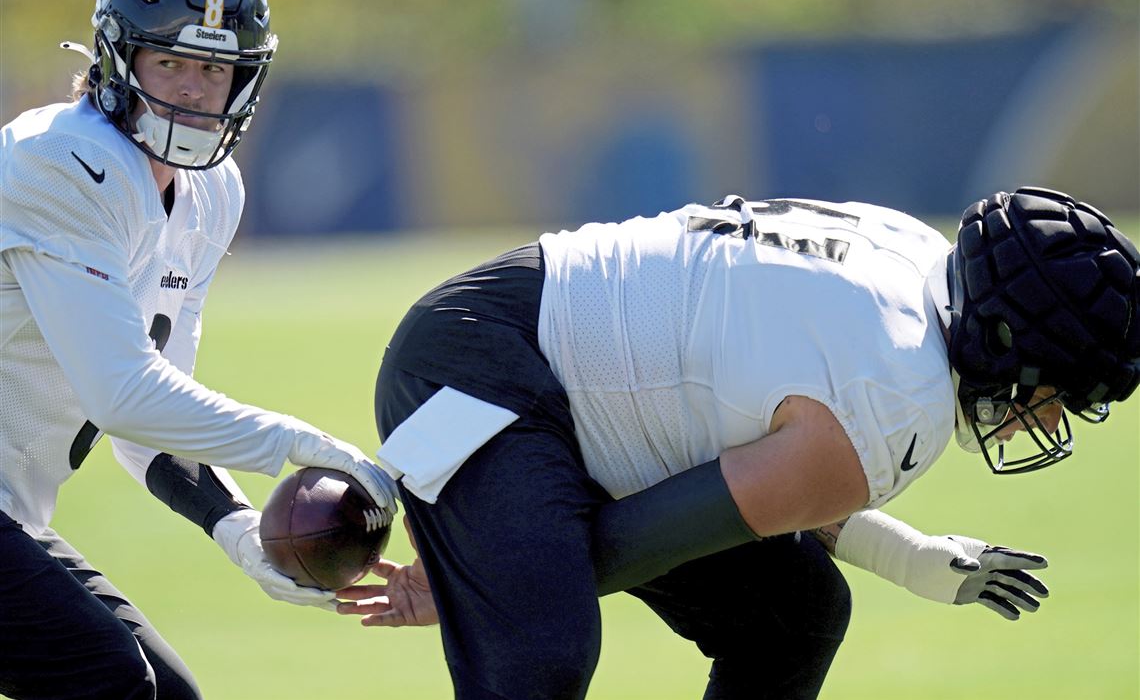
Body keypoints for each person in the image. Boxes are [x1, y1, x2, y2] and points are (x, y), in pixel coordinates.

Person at [338, 188, 1139, 699]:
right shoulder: (902, 396)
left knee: (795, 610)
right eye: (1056, 391)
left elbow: (776, 466)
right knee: (542, 655)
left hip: (544, 348)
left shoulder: (915, 260)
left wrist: (911, 555)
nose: (1048, 416)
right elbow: (629, 542)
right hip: (485, 368)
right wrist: (480, 586)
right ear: (1005, 341)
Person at [0, 0, 398, 700]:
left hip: (11, 510)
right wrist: (288, 440)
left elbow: (154, 413)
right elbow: (122, 393)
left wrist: (237, 526)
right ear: (119, 59)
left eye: (213, 68)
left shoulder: (213, 193)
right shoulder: (61, 161)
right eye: (169, 62)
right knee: (108, 681)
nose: (189, 88)